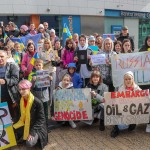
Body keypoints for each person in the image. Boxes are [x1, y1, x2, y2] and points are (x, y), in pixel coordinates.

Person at [13, 80, 48, 149]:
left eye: (23, 89)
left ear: (29, 89)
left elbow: (41, 119)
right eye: (20, 89)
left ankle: (37, 139)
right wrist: (13, 120)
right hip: (25, 123)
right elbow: (18, 115)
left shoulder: (37, 102)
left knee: (29, 143)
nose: (21, 91)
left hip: (36, 127)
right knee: (11, 129)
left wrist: (32, 132)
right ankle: (24, 134)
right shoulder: (20, 101)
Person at [110, 71, 141, 138]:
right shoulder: (121, 88)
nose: (128, 81)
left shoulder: (137, 88)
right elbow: (117, 99)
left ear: (132, 79)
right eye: (126, 79)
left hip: (133, 110)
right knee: (120, 125)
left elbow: (144, 96)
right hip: (123, 109)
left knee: (125, 125)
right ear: (124, 80)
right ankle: (116, 129)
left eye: (129, 79)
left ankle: (132, 123)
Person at [28, 58, 52, 127]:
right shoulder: (32, 74)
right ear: (34, 66)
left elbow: (49, 85)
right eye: (37, 65)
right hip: (37, 95)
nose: (38, 66)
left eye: (39, 65)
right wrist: (33, 80)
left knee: (45, 111)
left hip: (45, 95)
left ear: (42, 66)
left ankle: (46, 125)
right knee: (38, 111)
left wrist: (50, 79)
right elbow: (30, 86)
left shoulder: (46, 73)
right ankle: (38, 125)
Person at [0, 50, 20, 122]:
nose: (0, 58)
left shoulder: (12, 66)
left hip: (11, 96)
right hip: (0, 98)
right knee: (3, 117)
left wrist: (5, 81)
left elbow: (16, 79)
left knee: (13, 116)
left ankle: (15, 132)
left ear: (6, 57)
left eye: (2, 56)